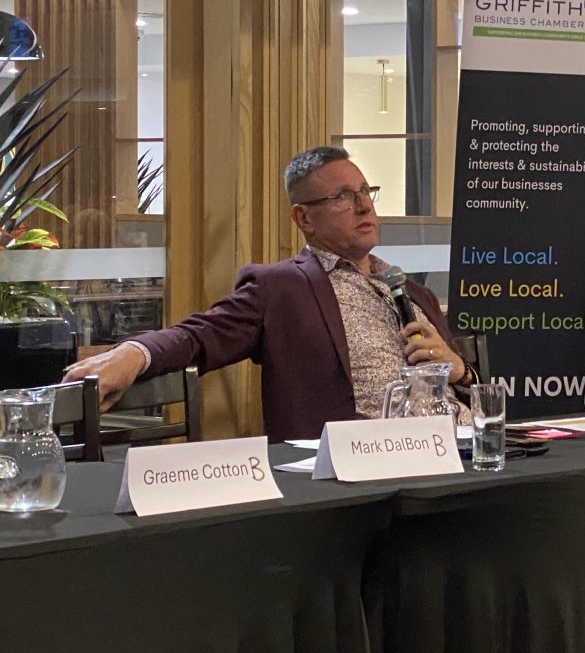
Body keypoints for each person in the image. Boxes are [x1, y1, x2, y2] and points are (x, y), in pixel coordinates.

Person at [62, 146, 475, 441]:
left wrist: (460, 370)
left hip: (458, 452)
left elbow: (471, 392)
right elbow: (197, 336)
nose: (365, 207)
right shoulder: (282, 288)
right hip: (368, 467)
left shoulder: (409, 290)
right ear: (304, 218)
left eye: (366, 192)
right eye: (343, 197)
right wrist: (132, 353)